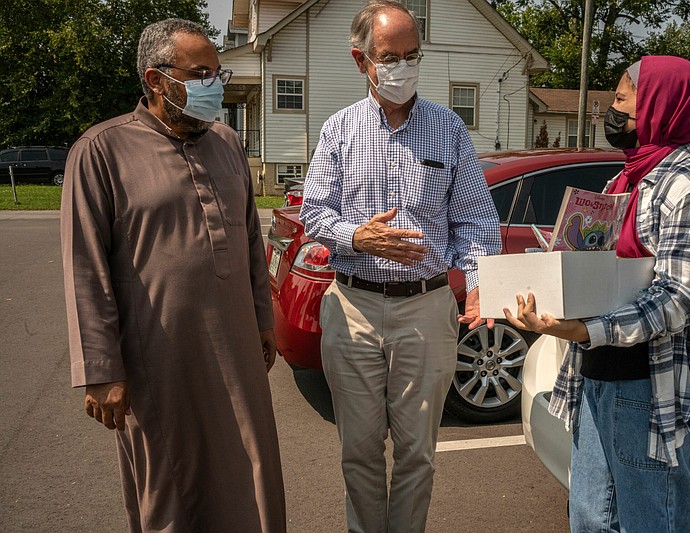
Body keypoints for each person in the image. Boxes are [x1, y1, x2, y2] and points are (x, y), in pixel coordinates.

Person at [61, 18, 286, 532]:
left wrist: (262, 318)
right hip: (156, 360)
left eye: (218, 74)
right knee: (169, 482)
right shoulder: (100, 152)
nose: (214, 85)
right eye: (200, 73)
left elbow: (251, 239)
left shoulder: (227, 143)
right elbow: (84, 267)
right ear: (156, 80)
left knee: (251, 470)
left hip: (235, 352)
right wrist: (101, 369)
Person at [505, 56, 690, 532]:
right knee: (589, 519)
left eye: (623, 100)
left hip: (651, 390)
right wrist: (549, 286)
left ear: (659, 107)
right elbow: (596, 270)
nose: (613, 111)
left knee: (649, 522)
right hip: (595, 375)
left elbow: (678, 298)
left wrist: (586, 327)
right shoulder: (624, 178)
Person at [299, 1, 500, 531]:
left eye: (413, 55)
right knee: (359, 452)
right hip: (354, 307)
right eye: (390, 57)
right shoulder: (339, 129)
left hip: (428, 307)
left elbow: (477, 222)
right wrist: (358, 237)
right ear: (360, 60)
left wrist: (480, 284)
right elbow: (314, 212)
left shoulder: (448, 128)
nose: (403, 67)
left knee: (418, 453)